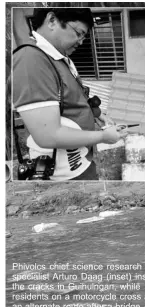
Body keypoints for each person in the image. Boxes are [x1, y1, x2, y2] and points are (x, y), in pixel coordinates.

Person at [13, 8, 126, 181]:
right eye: (79, 33)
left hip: (80, 164)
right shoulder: (32, 60)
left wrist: (96, 114)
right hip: (62, 174)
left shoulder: (58, 58)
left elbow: (71, 99)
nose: (81, 42)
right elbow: (48, 135)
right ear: (52, 20)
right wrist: (103, 137)